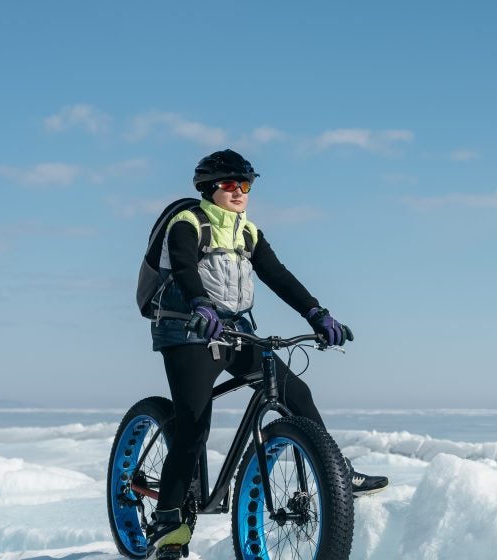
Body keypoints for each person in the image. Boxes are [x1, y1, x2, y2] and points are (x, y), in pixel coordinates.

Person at [144, 149, 387, 557]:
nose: (239, 191)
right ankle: (168, 518)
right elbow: (185, 269)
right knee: (193, 426)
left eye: (246, 184)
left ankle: (336, 474)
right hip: (187, 332)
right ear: (208, 188)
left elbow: (278, 275)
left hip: (235, 332)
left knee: (297, 393)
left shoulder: (247, 232)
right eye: (229, 184)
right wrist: (201, 305)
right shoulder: (187, 224)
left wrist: (316, 313)